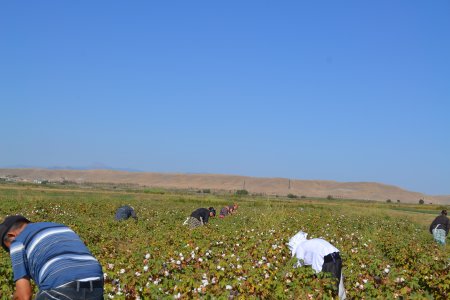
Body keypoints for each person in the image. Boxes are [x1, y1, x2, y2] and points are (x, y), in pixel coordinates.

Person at [0, 215, 104, 300]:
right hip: (96, 282)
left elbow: (24, 296)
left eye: (8, 250)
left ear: (11, 236)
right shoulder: (60, 227)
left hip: (61, 286)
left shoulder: (16, 241)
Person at [288, 231, 346, 299]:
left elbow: (298, 265)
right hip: (336, 257)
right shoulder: (310, 243)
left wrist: (290, 275)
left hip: (328, 261)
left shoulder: (300, 247)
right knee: (337, 284)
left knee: (330, 288)